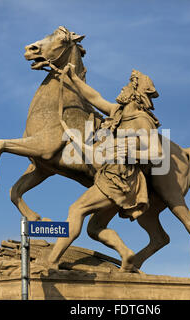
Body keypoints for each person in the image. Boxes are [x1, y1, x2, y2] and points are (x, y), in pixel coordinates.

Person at [47, 64, 162, 272]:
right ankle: (126, 253)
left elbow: (156, 153)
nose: (122, 89)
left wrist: (128, 154)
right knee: (94, 228)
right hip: (110, 175)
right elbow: (95, 98)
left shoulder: (142, 121)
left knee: (76, 209)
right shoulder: (118, 113)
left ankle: (52, 261)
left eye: (127, 86)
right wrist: (73, 77)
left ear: (135, 94)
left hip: (120, 178)